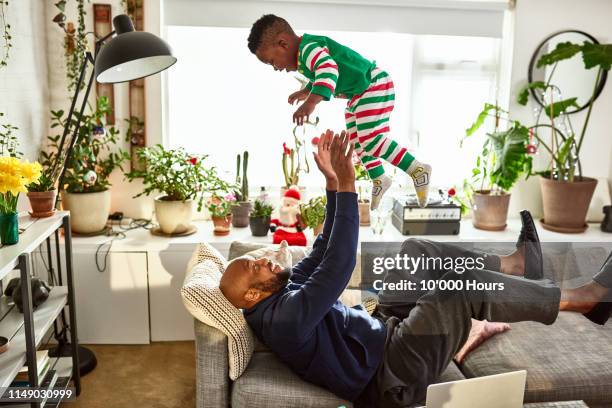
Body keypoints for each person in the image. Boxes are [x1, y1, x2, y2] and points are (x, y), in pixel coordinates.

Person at [219, 129, 612, 407]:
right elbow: (336, 266)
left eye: (256, 259)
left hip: (387, 331)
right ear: (253, 295)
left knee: (414, 248)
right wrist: (352, 185)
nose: (265, 260)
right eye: (255, 267)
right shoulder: (283, 320)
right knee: (460, 289)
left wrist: (333, 183)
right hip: (392, 376)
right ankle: (584, 300)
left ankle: (517, 264)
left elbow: (322, 250)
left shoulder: (279, 293)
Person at [247, 14, 432, 210]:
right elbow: (320, 73)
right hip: (358, 93)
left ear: (283, 43)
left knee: (371, 138)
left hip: (371, 85)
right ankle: (379, 177)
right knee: (357, 139)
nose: (275, 68)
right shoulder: (307, 52)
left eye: (272, 61)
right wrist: (306, 90)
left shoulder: (308, 49)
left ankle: (417, 169)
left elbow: (329, 70)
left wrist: (310, 103)